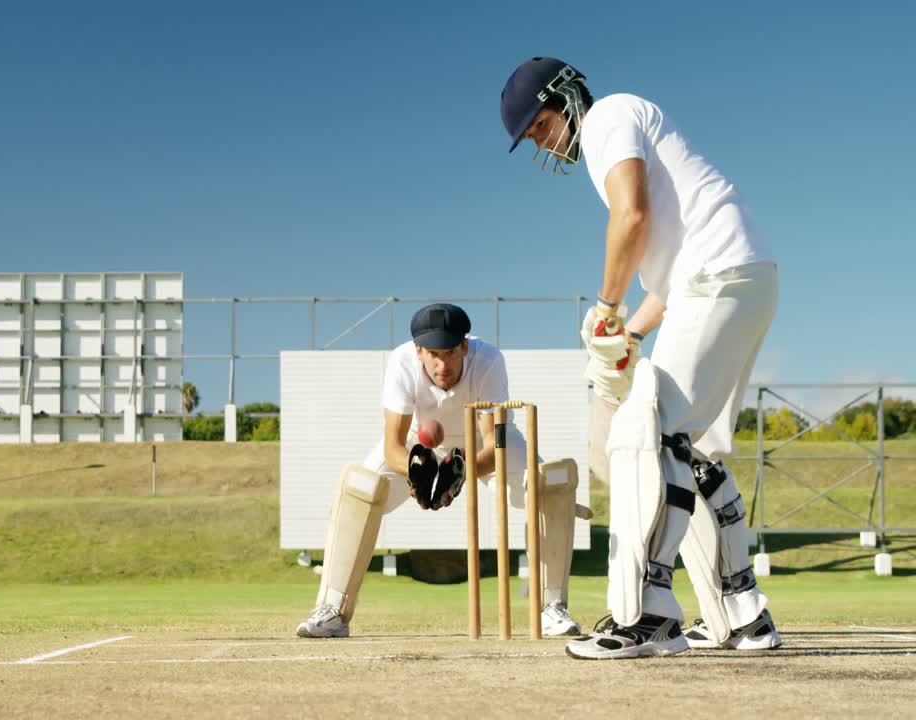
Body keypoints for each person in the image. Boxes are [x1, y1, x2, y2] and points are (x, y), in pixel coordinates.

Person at [500, 57, 783, 659]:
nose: (544, 144)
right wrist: (627, 332)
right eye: (533, 139)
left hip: (718, 277)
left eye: (541, 127)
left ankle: (646, 616)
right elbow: (666, 282)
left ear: (565, 98)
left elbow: (631, 217)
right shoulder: (625, 127)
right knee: (695, 451)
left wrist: (604, 305)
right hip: (743, 275)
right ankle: (743, 614)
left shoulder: (608, 117)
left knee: (643, 433)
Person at [296, 303, 586, 639]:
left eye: (449, 353)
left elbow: (496, 444)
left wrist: (460, 469)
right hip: (415, 446)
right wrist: (420, 471)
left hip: (483, 445)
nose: (441, 364)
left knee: (547, 485)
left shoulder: (489, 361)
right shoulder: (401, 362)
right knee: (360, 490)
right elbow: (392, 447)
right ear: (418, 351)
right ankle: (333, 610)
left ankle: (550, 609)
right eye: (432, 353)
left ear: (465, 346)